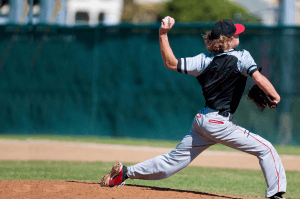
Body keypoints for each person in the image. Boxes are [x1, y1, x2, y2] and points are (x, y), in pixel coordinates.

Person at [100, 17, 287, 199]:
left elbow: (170, 63)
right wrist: (276, 96)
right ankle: (275, 194)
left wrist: (163, 34)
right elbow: (258, 78)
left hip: (203, 120)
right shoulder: (242, 56)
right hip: (219, 123)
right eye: (236, 34)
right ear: (228, 41)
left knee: (172, 162)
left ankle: (124, 173)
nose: (239, 36)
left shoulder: (203, 60)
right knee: (266, 149)